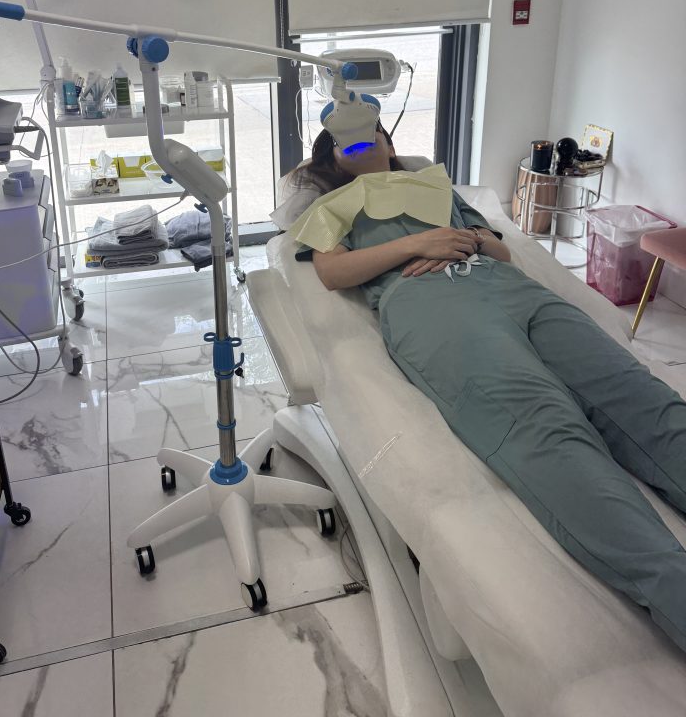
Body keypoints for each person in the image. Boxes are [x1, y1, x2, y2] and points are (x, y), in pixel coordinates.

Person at [292, 124, 686, 653]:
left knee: (642, 399)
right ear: (334, 158)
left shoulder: (436, 188)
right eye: (349, 142)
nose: (365, 144)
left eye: (374, 135)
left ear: (391, 144)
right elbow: (334, 272)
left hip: (511, 288)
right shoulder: (333, 206)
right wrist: (419, 243)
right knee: (546, 430)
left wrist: (472, 239)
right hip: (425, 302)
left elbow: (501, 252)